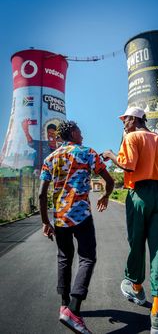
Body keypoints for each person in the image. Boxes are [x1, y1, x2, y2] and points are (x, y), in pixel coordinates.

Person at [102, 106, 158, 334]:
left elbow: (129, 165)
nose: (123, 124)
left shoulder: (131, 137)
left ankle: (135, 286)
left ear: (134, 119)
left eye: (125, 120)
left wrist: (110, 155)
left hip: (140, 195)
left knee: (136, 242)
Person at [39, 120, 114, 334]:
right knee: (87, 258)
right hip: (81, 215)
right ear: (73, 132)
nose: (82, 134)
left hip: (60, 218)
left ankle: (64, 305)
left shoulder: (50, 158)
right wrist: (106, 195)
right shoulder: (87, 152)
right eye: (80, 131)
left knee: (64, 258)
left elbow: (42, 194)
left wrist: (46, 222)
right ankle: (74, 308)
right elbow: (109, 180)